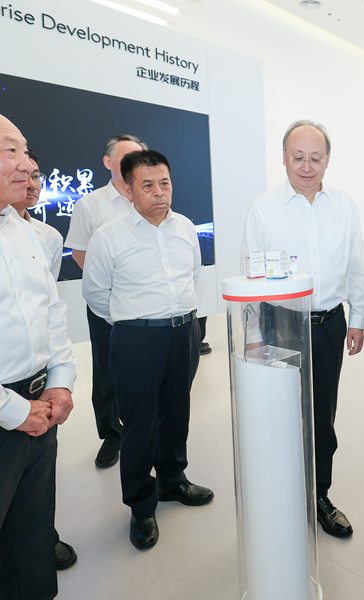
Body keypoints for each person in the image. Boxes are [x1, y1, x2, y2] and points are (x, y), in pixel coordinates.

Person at [241, 120, 364, 539]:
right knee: (279, 415)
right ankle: (280, 496)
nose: (307, 166)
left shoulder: (344, 205)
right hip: (280, 325)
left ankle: (319, 495)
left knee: (321, 418)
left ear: (328, 160)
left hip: (329, 324)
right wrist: (254, 336)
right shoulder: (263, 207)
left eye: (315, 158)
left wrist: (358, 318)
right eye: (298, 157)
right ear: (283, 158)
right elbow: (250, 277)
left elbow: (355, 264)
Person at [83, 149, 213, 550]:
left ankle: (173, 480)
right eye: (148, 185)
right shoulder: (109, 236)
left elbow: (193, 275)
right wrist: (136, 322)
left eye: (165, 183)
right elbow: (96, 295)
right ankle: (141, 505)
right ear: (128, 190)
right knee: (139, 424)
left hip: (183, 333)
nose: (159, 192)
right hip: (136, 339)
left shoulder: (185, 227)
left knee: (176, 413)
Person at [0, 113, 77, 598]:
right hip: (11, 411)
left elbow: (51, 311)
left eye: (25, 152)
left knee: (30, 543)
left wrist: (61, 379)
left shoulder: (24, 230)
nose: (27, 165)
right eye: (11, 150)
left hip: (39, 410)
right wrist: (13, 410)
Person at [65, 134, 147, 469]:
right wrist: (107, 288)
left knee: (146, 368)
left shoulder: (149, 196)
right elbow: (79, 252)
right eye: (126, 157)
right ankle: (112, 434)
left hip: (146, 302)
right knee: (106, 370)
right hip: (106, 303)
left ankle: (144, 429)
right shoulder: (91, 204)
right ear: (108, 162)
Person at [10, 150, 63, 280]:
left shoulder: (51, 236)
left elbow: (49, 289)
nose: (32, 185)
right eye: (22, 177)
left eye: (36, 176)